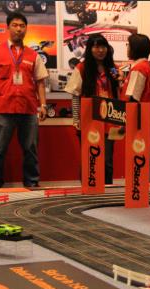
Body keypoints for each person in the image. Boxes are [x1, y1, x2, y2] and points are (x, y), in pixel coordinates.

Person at [0, 12, 48, 188]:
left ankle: (31, 183)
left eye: (22, 26)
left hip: (28, 109)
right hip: (3, 108)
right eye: (15, 25)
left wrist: (43, 105)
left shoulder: (33, 55)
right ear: (8, 28)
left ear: (26, 29)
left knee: (31, 149)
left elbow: (40, 82)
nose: (19, 29)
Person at [64, 34, 121, 184]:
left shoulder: (113, 69)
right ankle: (87, 192)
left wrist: (120, 80)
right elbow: (75, 95)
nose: (100, 50)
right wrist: (76, 119)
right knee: (90, 159)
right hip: (88, 121)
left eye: (103, 47)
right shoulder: (81, 68)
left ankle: (107, 191)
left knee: (107, 161)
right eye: (96, 47)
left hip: (110, 121)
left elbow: (118, 94)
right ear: (89, 49)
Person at [121, 33, 150, 182]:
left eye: (128, 45)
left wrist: (124, 122)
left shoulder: (138, 69)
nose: (127, 48)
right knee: (146, 152)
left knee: (141, 155)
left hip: (136, 119)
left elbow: (132, 98)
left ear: (134, 48)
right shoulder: (149, 68)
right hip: (145, 117)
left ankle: (146, 185)